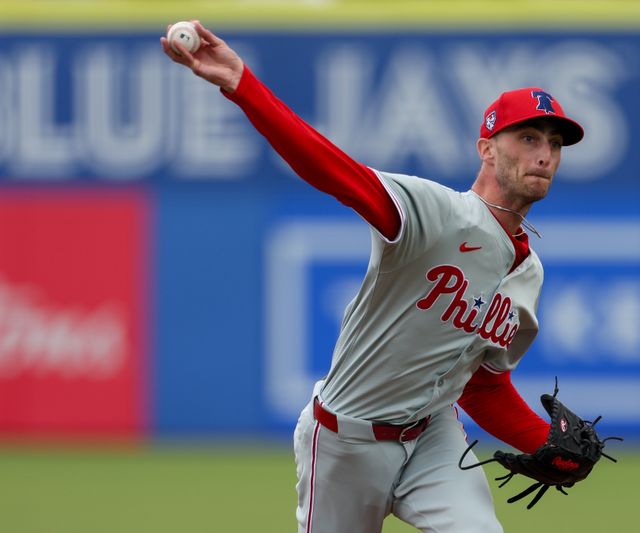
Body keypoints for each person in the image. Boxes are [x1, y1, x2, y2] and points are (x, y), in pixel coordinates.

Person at [162, 21, 584, 533]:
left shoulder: (529, 274)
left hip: (434, 436)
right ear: (487, 148)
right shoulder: (438, 213)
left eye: (556, 143)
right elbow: (332, 170)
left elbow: (482, 386)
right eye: (528, 137)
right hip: (344, 441)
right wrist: (242, 85)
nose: (544, 153)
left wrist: (544, 442)